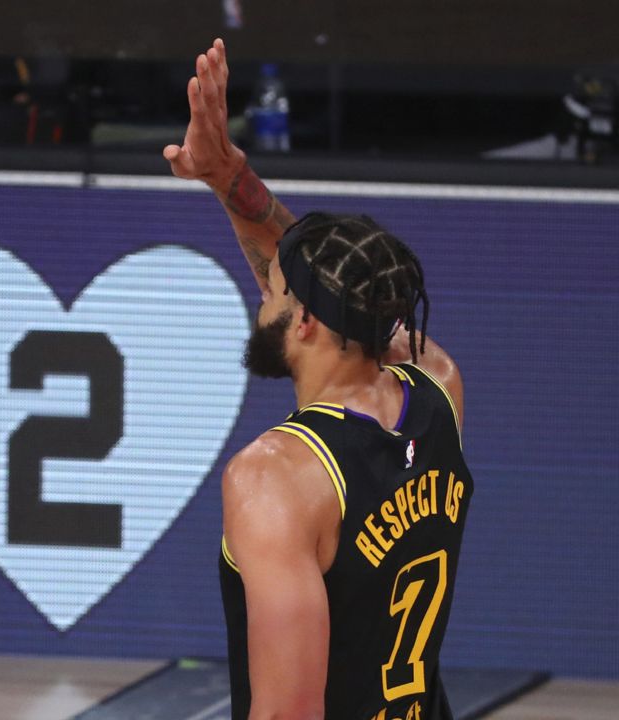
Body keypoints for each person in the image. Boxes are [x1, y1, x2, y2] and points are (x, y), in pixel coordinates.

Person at [164, 41, 473, 720]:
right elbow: (339, 285)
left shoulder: (277, 475)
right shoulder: (436, 387)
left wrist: (228, 176)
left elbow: (287, 713)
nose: (261, 296)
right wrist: (227, 176)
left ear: (302, 321)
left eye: (269, 290)